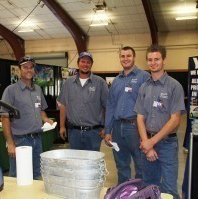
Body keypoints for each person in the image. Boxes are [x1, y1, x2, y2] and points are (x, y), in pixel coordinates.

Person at [134, 44, 185, 199]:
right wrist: (147, 144)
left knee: (169, 189)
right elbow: (140, 117)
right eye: (150, 59)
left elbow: (175, 119)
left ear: (164, 60)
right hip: (147, 143)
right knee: (149, 186)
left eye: (157, 59)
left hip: (167, 145)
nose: (153, 62)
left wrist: (152, 142)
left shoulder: (174, 86)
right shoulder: (143, 87)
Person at [0, 56, 53, 180]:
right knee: (18, 176)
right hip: (20, 141)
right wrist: (10, 143)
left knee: (36, 175)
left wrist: (45, 119)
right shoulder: (10, 90)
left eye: (31, 67)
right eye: (25, 67)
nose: (28, 70)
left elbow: (41, 110)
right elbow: (4, 117)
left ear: (34, 70)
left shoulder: (38, 89)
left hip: (37, 139)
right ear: (19, 70)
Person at [104, 46, 150, 184]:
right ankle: (124, 191)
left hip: (135, 128)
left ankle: (140, 193)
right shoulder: (116, 81)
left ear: (134, 58)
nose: (125, 59)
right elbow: (110, 106)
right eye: (123, 56)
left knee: (141, 165)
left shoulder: (144, 77)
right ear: (120, 59)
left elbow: (148, 105)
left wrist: (145, 133)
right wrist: (108, 130)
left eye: (128, 56)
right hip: (117, 129)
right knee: (121, 165)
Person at [57, 52, 108, 151]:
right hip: (74, 133)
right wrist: (62, 126)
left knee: (92, 164)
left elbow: (107, 106)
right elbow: (62, 105)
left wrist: (106, 128)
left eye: (88, 62)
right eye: (83, 61)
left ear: (91, 64)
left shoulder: (100, 83)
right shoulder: (68, 83)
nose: (85, 64)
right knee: (76, 163)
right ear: (78, 63)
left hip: (94, 133)